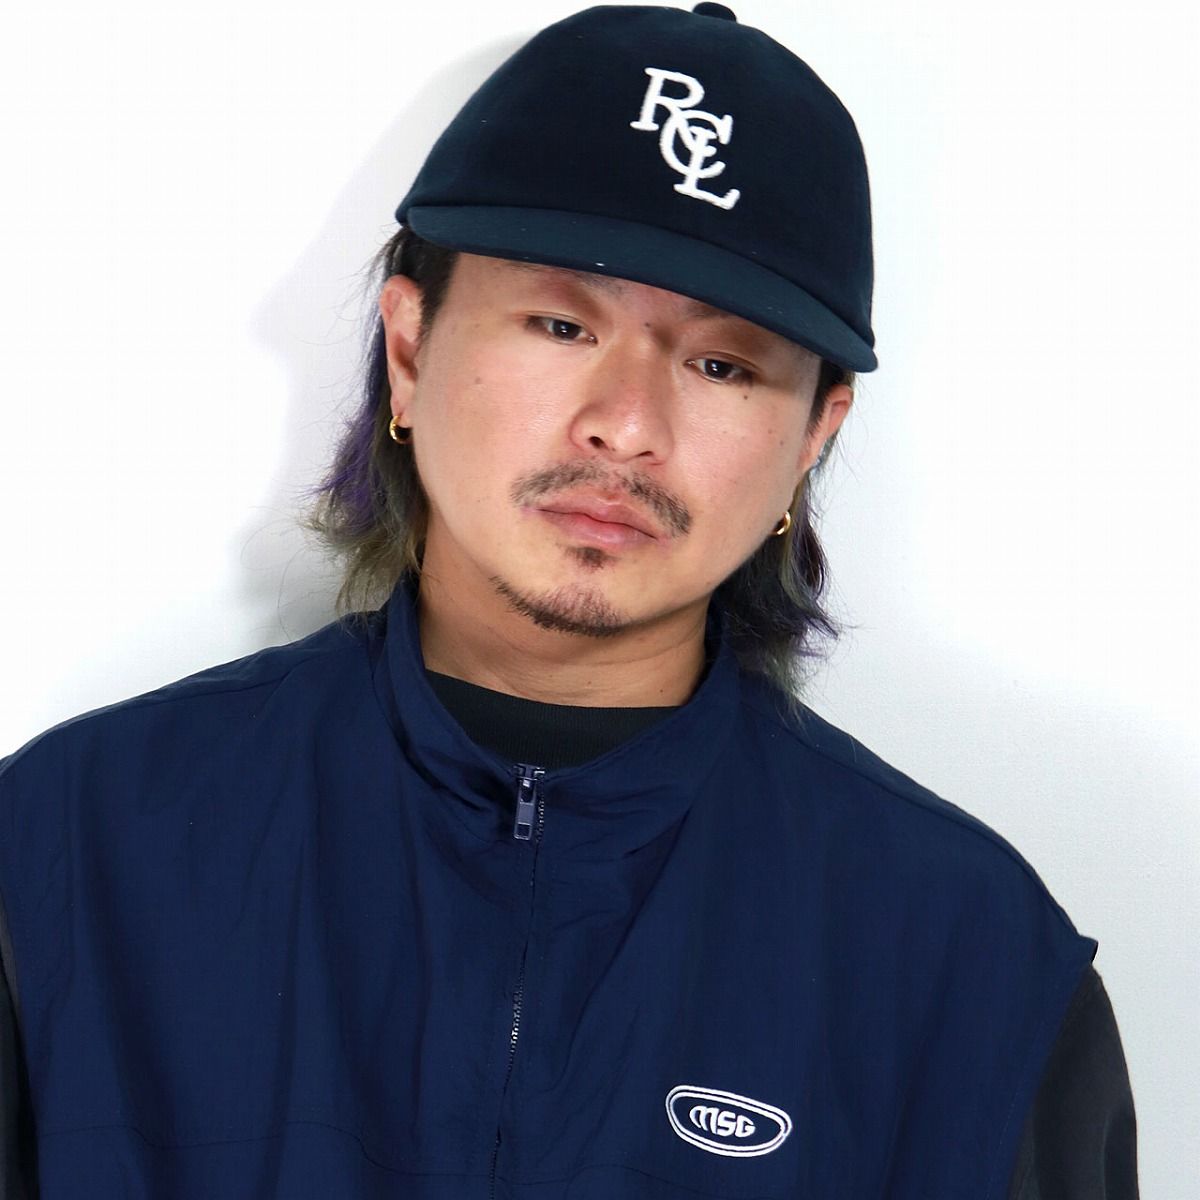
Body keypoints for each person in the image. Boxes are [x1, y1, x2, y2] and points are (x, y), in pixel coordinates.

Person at [0, 4, 1137, 1197]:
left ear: (814, 434)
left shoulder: (975, 968)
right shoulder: (68, 855)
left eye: (721, 364)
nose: (626, 425)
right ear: (409, 349)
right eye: (560, 323)